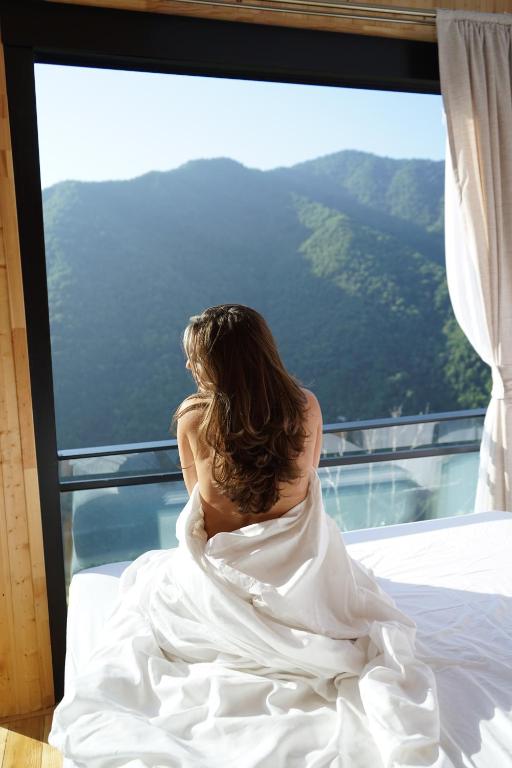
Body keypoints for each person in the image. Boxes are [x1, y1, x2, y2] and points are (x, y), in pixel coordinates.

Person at [172, 303, 323, 540]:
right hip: (296, 556)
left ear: (222, 364)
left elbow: (196, 502)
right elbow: (308, 478)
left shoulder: (192, 417)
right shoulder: (305, 406)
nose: (188, 365)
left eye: (196, 359)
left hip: (225, 563)